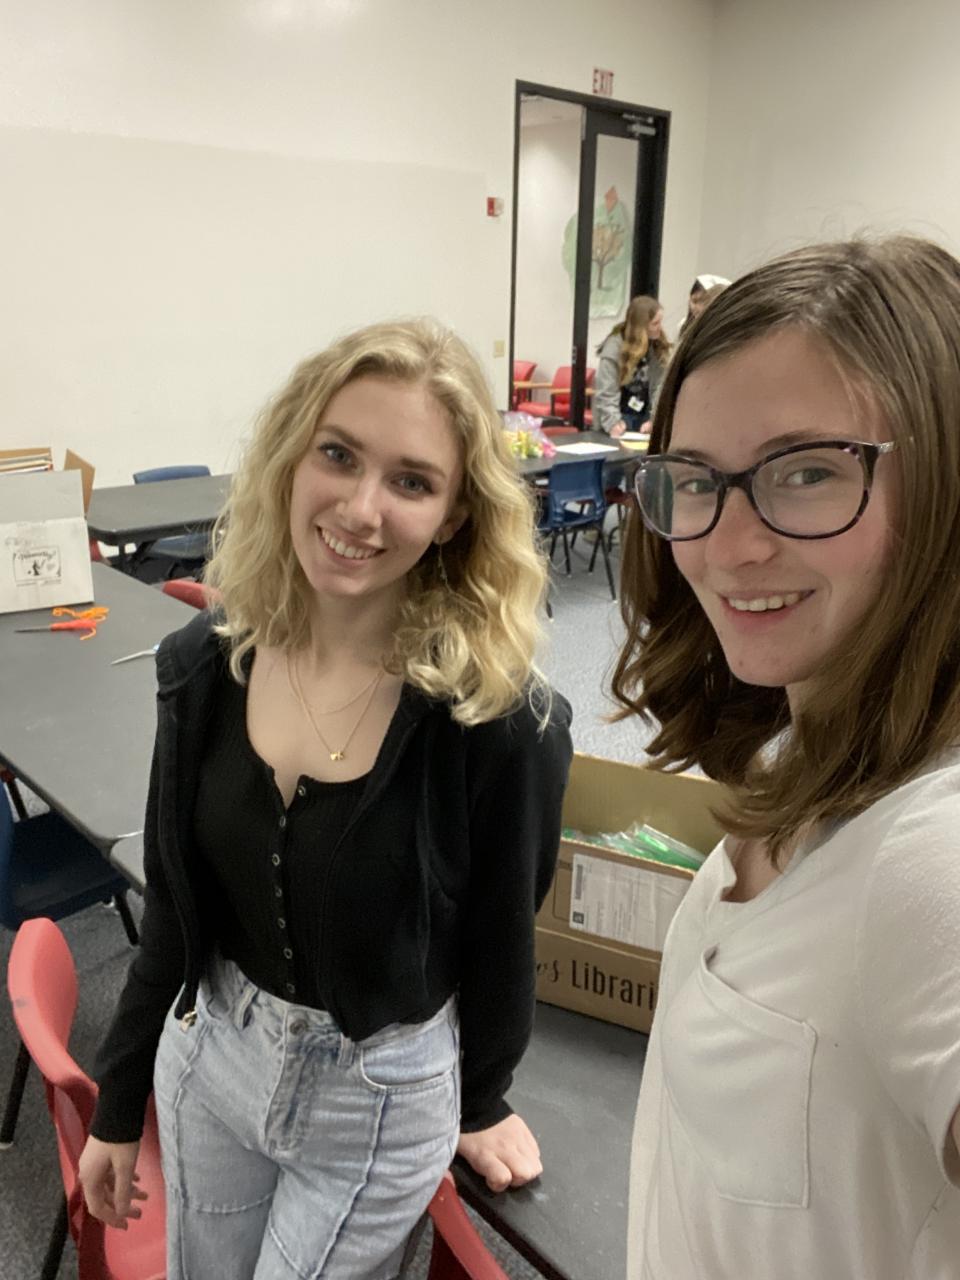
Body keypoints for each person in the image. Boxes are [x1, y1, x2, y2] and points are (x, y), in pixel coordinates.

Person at [78, 319, 574, 1279]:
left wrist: (482, 1098)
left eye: (412, 482)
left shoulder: (498, 721)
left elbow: (501, 936)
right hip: (212, 1056)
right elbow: (176, 905)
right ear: (291, 456)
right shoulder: (205, 665)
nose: (360, 507)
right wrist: (117, 1100)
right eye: (338, 455)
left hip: (375, 1101)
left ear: (455, 516)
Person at [613, 236, 960, 1279]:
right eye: (694, 480)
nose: (728, 545)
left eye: (807, 471)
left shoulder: (930, 854)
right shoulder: (798, 760)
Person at [594, 296, 672, 438]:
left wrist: (655, 419)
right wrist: (613, 423)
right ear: (641, 327)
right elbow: (606, 392)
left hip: (644, 418)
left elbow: (659, 388)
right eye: (655, 323)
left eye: (660, 322)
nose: (659, 328)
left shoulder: (656, 346)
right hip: (618, 417)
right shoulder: (613, 348)